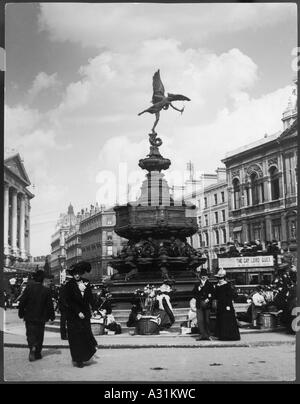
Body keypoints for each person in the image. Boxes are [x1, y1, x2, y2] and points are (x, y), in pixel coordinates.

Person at [64, 261, 98, 368]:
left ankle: (85, 356)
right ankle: (78, 359)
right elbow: (69, 301)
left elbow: (90, 298)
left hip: (85, 314)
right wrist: (78, 312)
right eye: (75, 274)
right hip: (74, 316)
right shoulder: (69, 285)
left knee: (85, 335)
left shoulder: (86, 282)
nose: (77, 275)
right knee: (75, 338)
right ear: (72, 274)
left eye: (78, 273)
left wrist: (95, 309)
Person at [18, 270, 55, 361]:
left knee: (30, 333)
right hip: (41, 317)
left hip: (29, 316)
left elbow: (22, 301)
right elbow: (49, 305)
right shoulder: (46, 290)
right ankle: (38, 352)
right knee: (39, 335)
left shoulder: (28, 288)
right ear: (43, 279)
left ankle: (32, 347)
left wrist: (21, 313)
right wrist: (52, 316)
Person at [214, 268, 240, 341]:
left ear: (224, 278)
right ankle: (222, 335)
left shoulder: (227, 285)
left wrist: (228, 305)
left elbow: (230, 296)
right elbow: (216, 296)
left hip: (226, 305)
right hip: (220, 305)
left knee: (228, 320)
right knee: (221, 319)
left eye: (221, 278)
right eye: (218, 278)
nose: (220, 279)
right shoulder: (217, 286)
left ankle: (230, 336)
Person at [192, 268, 215, 341]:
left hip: (207, 304)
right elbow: (193, 294)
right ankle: (202, 335)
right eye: (202, 275)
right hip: (199, 303)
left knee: (207, 320)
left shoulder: (210, 284)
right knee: (200, 320)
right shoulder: (197, 284)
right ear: (200, 276)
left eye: (205, 275)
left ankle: (208, 335)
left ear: (207, 276)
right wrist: (199, 288)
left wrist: (208, 299)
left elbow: (213, 294)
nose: (203, 277)